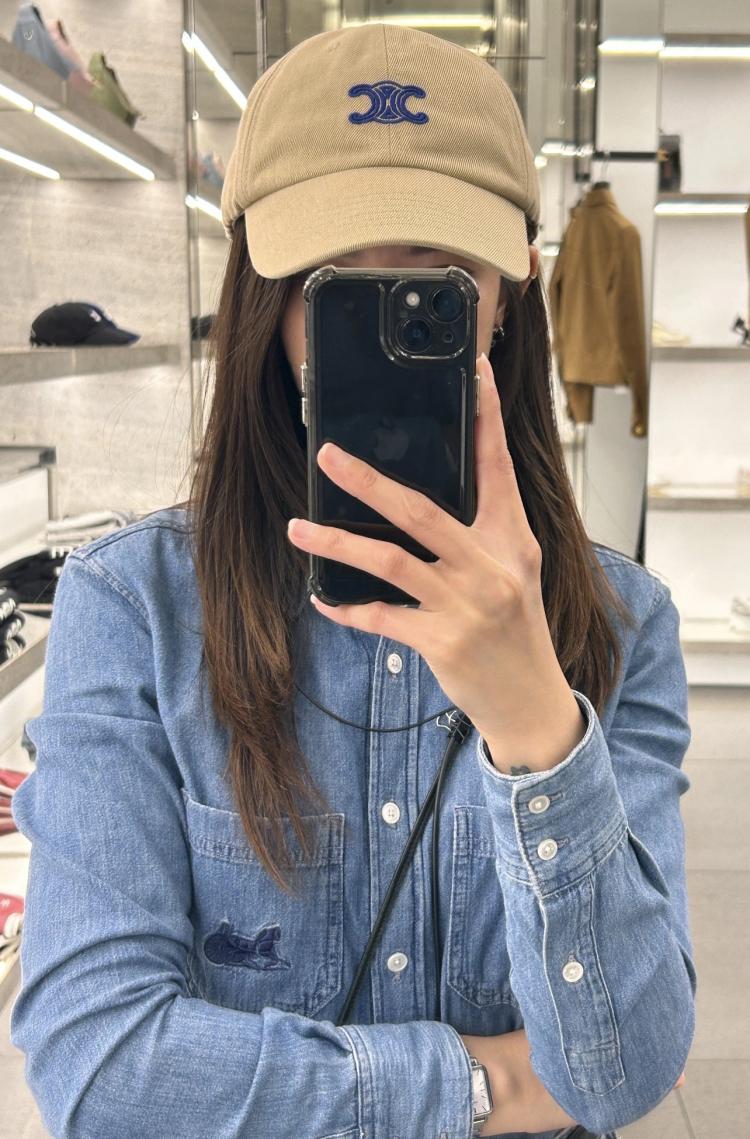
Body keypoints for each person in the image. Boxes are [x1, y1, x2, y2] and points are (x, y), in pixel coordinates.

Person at [10, 22, 694, 1139]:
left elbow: (626, 1073)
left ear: (511, 288)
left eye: (435, 280)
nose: (386, 314)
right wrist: (483, 1084)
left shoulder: (622, 623)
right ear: (265, 297)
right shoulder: (135, 610)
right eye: (334, 284)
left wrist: (537, 724)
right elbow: (101, 1066)